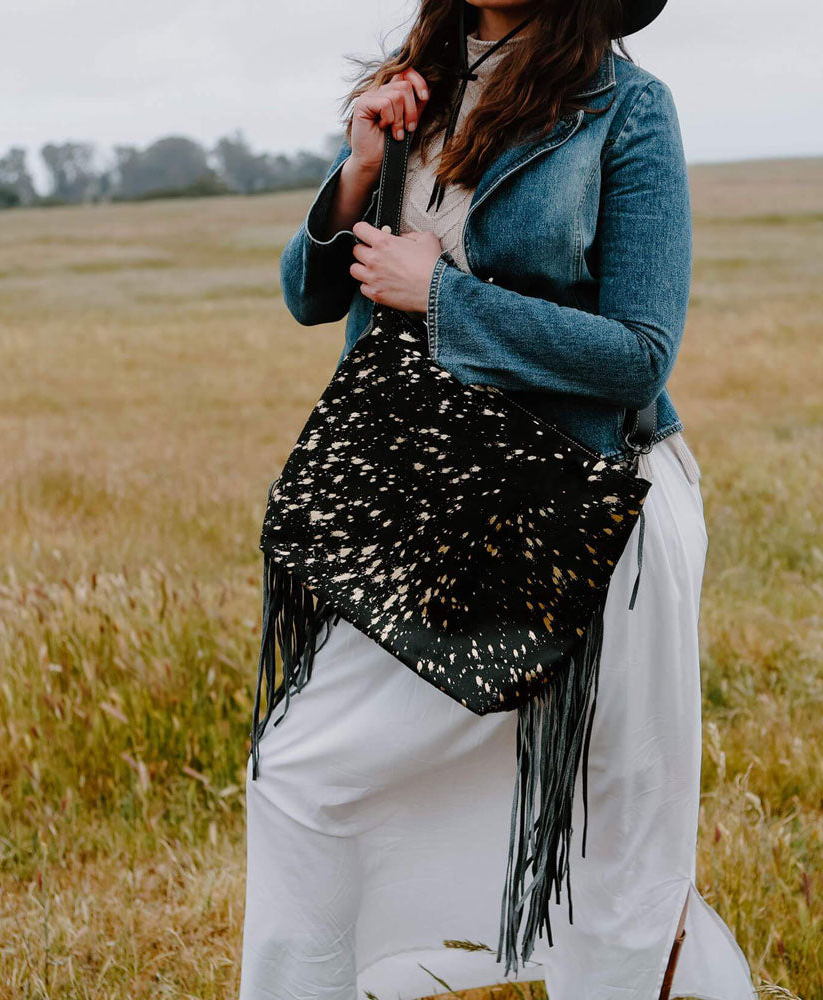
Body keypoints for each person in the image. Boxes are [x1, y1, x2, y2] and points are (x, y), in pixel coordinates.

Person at [239, 2, 757, 998]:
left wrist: (443, 295)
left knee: (605, 843)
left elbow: (637, 356)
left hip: (588, 506)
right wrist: (357, 168)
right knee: (302, 775)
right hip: (426, 499)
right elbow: (315, 295)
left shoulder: (627, 106)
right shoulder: (414, 85)